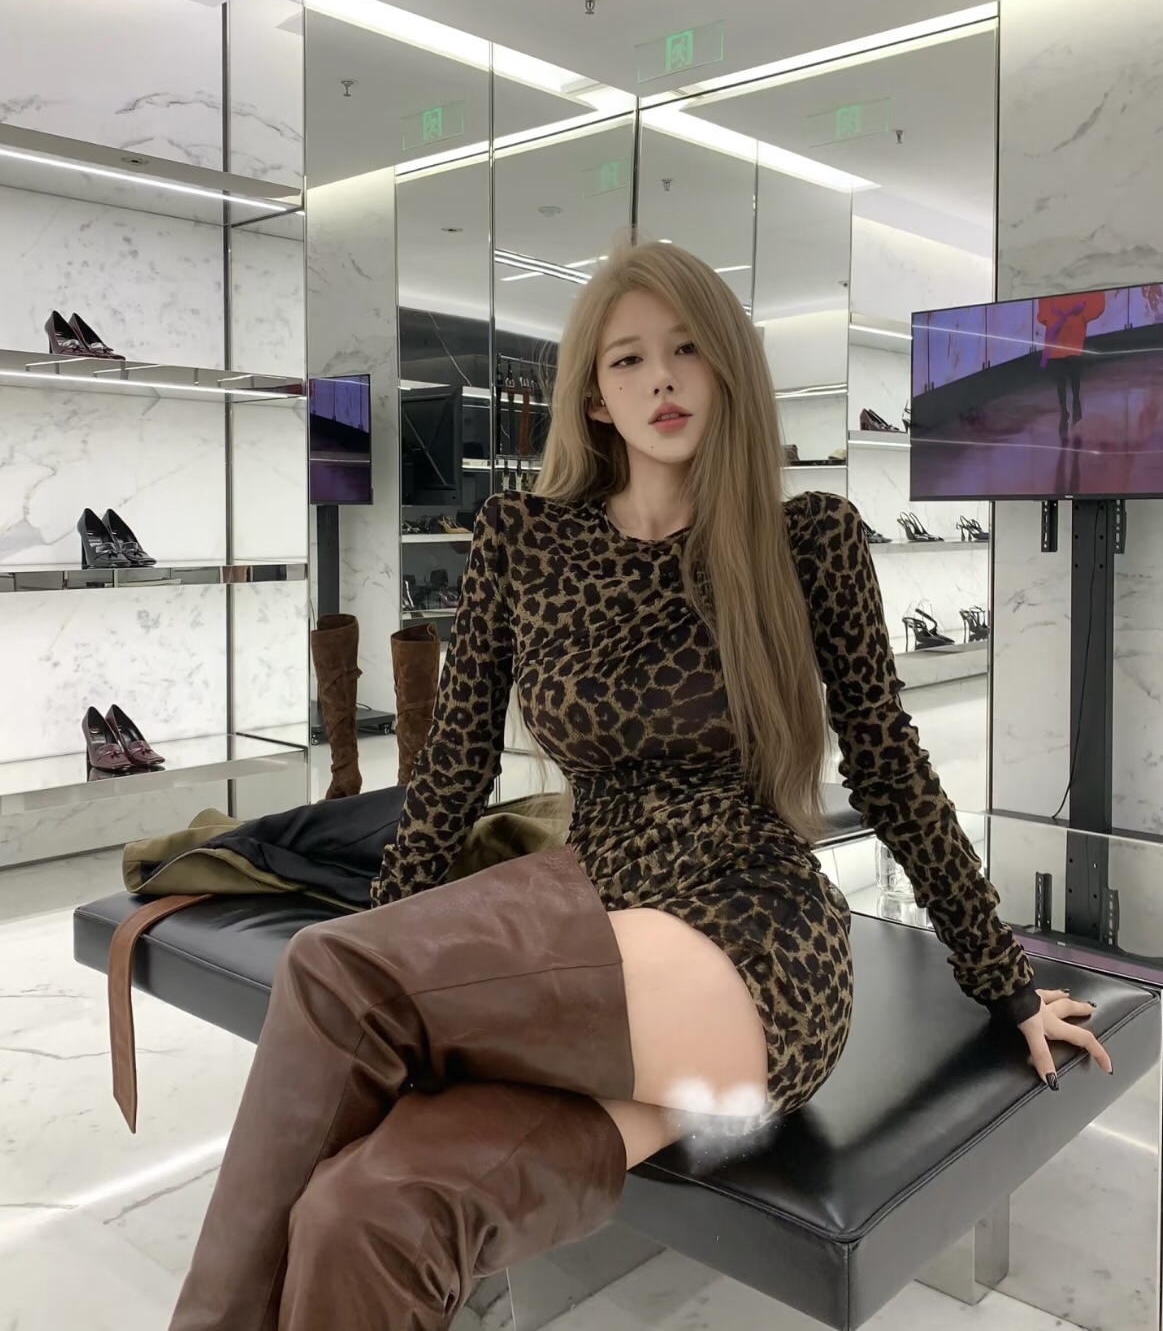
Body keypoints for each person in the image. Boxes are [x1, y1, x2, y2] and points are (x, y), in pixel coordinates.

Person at [169, 243, 1111, 1331]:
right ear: (594, 396)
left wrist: (1003, 982)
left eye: (687, 349)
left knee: (333, 974)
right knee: (371, 1213)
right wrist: (399, 933)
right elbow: (452, 770)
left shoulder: (805, 539)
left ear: (727, 368)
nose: (661, 378)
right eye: (627, 359)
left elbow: (890, 768)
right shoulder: (522, 540)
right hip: (589, 907)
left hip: (750, 938)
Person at [1037, 289, 1106, 435]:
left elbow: (1097, 300)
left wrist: (1082, 315)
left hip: (1073, 329)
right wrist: (1049, 318)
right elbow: (1044, 304)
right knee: (1059, 376)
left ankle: (1075, 401)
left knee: (1074, 372)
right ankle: (1064, 410)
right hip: (1057, 329)